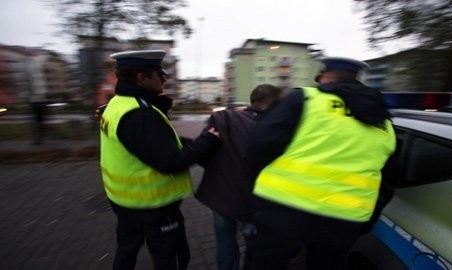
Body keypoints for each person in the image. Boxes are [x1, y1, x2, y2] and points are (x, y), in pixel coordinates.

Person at [244, 57, 396, 269]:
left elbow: (258, 147)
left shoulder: (304, 98)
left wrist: (255, 198)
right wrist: (365, 221)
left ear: (325, 78)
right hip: (344, 221)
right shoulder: (385, 122)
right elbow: (387, 180)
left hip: (283, 212)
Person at [99, 49, 220, 270]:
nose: (164, 78)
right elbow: (170, 162)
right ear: (141, 78)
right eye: (158, 73)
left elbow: (151, 144)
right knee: (170, 259)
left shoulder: (117, 104)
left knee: (126, 251)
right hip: (153, 206)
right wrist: (208, 140)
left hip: (124, 202)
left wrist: (157, 107)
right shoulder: (139, 114)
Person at [195, 84, 283, 270]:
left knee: (225, 243)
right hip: (253, 201)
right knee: (255, 247)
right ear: (274, 104)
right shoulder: (276, 128)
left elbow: (202, 152)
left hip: (221, 197)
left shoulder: (224, 118)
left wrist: (220, 170)